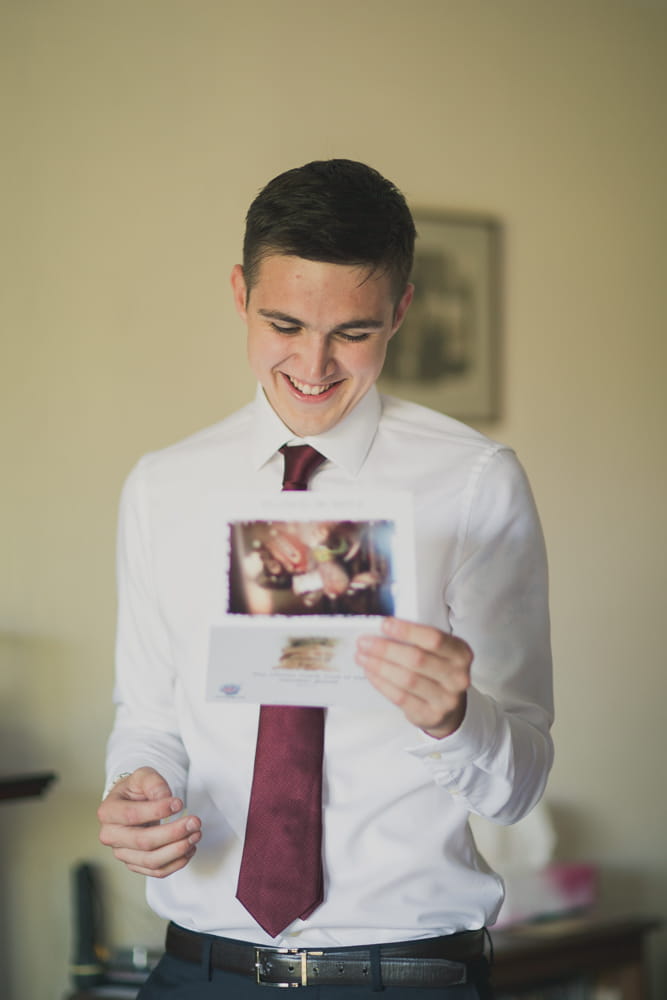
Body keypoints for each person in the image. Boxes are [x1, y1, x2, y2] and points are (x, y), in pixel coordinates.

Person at [97, 159, 553, 999]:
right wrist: (135, 788)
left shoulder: (474, 481)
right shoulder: (163, 486)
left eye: (354, 332)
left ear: (400, 311)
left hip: (405, 973)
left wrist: (454, 718)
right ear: (239, 292)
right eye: (283, 323)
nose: (315, 365)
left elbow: (519, 785)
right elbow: (151, 716)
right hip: (199, 968)